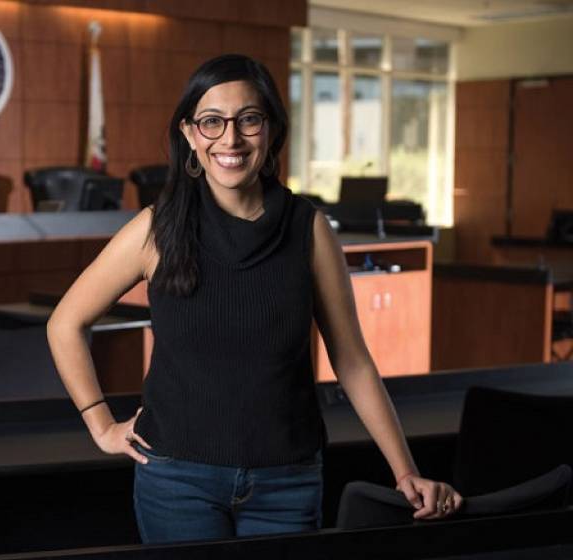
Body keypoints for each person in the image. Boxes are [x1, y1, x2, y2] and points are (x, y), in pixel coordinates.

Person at [46, 53, 461, 544]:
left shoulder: (309, 229)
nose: (231, 138)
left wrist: (404, 471)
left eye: (249, 119)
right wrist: (100, 424)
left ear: (271, 131)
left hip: (286, 482)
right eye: (212, 122)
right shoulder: (158, 228)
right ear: (189, 135)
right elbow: (64, 323)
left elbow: (352, 362)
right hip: (178, 480)